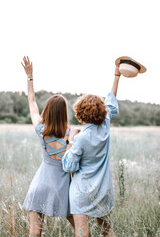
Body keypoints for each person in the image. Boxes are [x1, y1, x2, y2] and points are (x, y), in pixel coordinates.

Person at [62, 64, 121, 237]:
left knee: (83, 234)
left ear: (80, 113)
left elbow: (68, 166)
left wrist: (70, 139)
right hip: (103, 190)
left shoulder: (80, 139)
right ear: (102, 112)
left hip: (81, 192)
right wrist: (116, 76)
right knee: (107, 231)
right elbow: (112, 101)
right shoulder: (105, 126)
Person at [21, 56, 74, 236]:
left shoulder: (41, 130)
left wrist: (30, 77)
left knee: (35, 233)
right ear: (64, 114)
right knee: (82, 232)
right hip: (63, 190)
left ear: (48, 111)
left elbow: (32, 101)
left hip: (40, 186)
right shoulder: (71, 135)